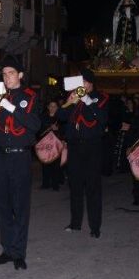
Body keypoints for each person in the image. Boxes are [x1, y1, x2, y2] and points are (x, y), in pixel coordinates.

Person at [0, 56, 41, 271]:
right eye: (4, 74)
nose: (7, 77)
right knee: (2, 205)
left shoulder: (30, 97)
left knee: (20, 206)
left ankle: (19, 252)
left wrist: (9, 107)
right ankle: (7, 249)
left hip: (20, 157)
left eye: (11, 73)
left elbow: (34, 124)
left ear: (20, 75)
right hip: (0, 157)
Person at [56, 68, 108, 238]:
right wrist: (70, 102)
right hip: (75, 147)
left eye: (84, 82)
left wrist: (86, 99)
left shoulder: (101, 98)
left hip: (92, 147)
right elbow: (60, 115)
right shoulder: (74, 97)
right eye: (80, 82)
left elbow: (100, 117)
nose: (81, 85)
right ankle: (75, 223)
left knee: (93, 188)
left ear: (91, 83)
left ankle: (95, 227)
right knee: (75, 187)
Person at [39, 100, 64, 190]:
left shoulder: (61, 118)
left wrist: (57, 129)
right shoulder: (42, 117)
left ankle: (55, 185)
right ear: (48, 107)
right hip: (45, 144)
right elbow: (39, 130)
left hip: (56, 144)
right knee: (45, 163)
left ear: (58, 108)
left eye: (55, 106)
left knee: (56, 165)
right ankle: (45, 184)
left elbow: (64, 132)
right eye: (51, 106)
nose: (52, 108)